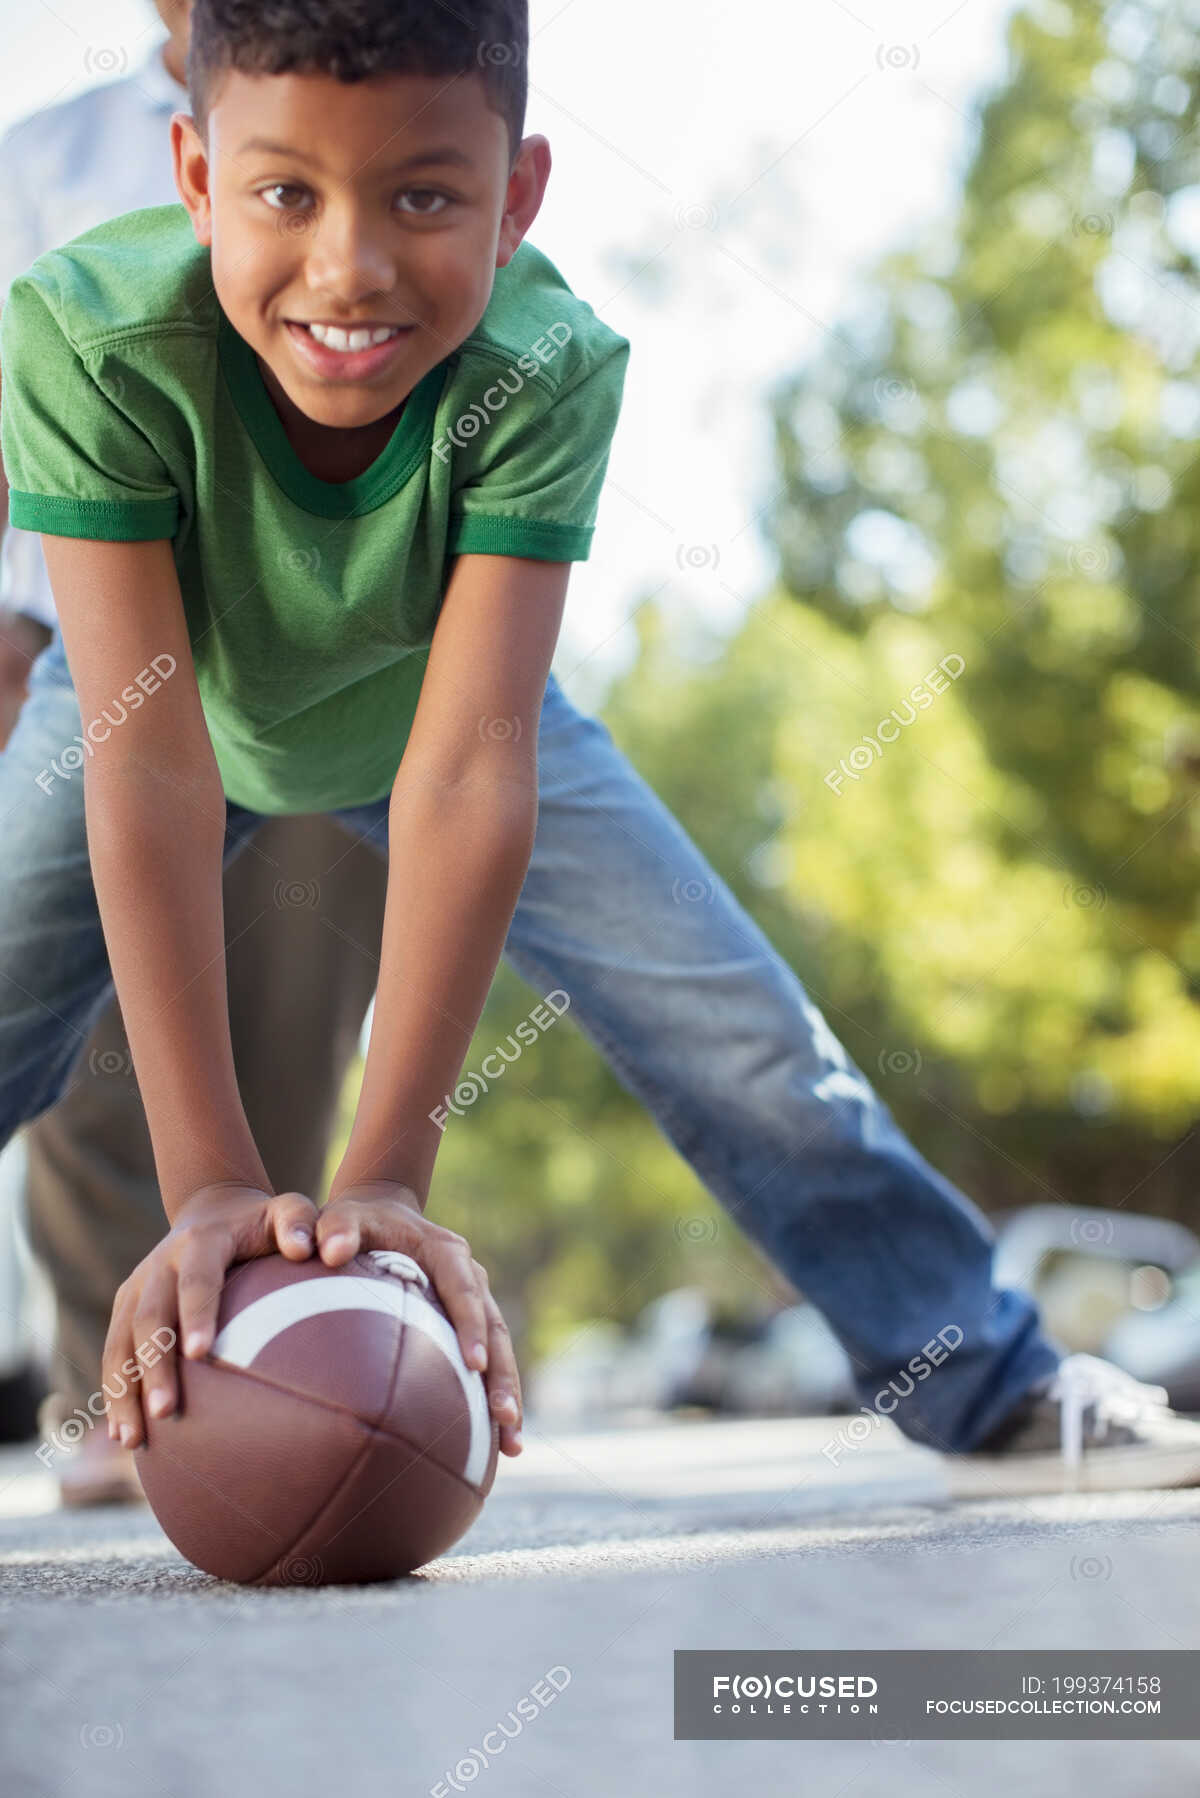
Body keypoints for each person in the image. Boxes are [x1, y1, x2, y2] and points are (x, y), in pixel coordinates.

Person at [1, 0, 1196, 1514]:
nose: (350, 266)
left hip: (441, 701)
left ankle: (1002, 1383)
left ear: (521, 200)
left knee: (747, 1040)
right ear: (192, 177)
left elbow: (471, 773)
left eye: (424, 196)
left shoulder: (547, 363)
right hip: (148, 709)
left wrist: (382, 1180)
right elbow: (149, 761)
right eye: (285, 194)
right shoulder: (85, 335)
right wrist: (213, 1187)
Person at [0, 0, 388, 1503]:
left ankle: (260, 1336)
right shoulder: (44, 162)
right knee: (87, 1026)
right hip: (79, 633)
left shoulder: (368, 103)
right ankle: (118, 1385)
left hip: (322, 633)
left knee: (287, 1001)